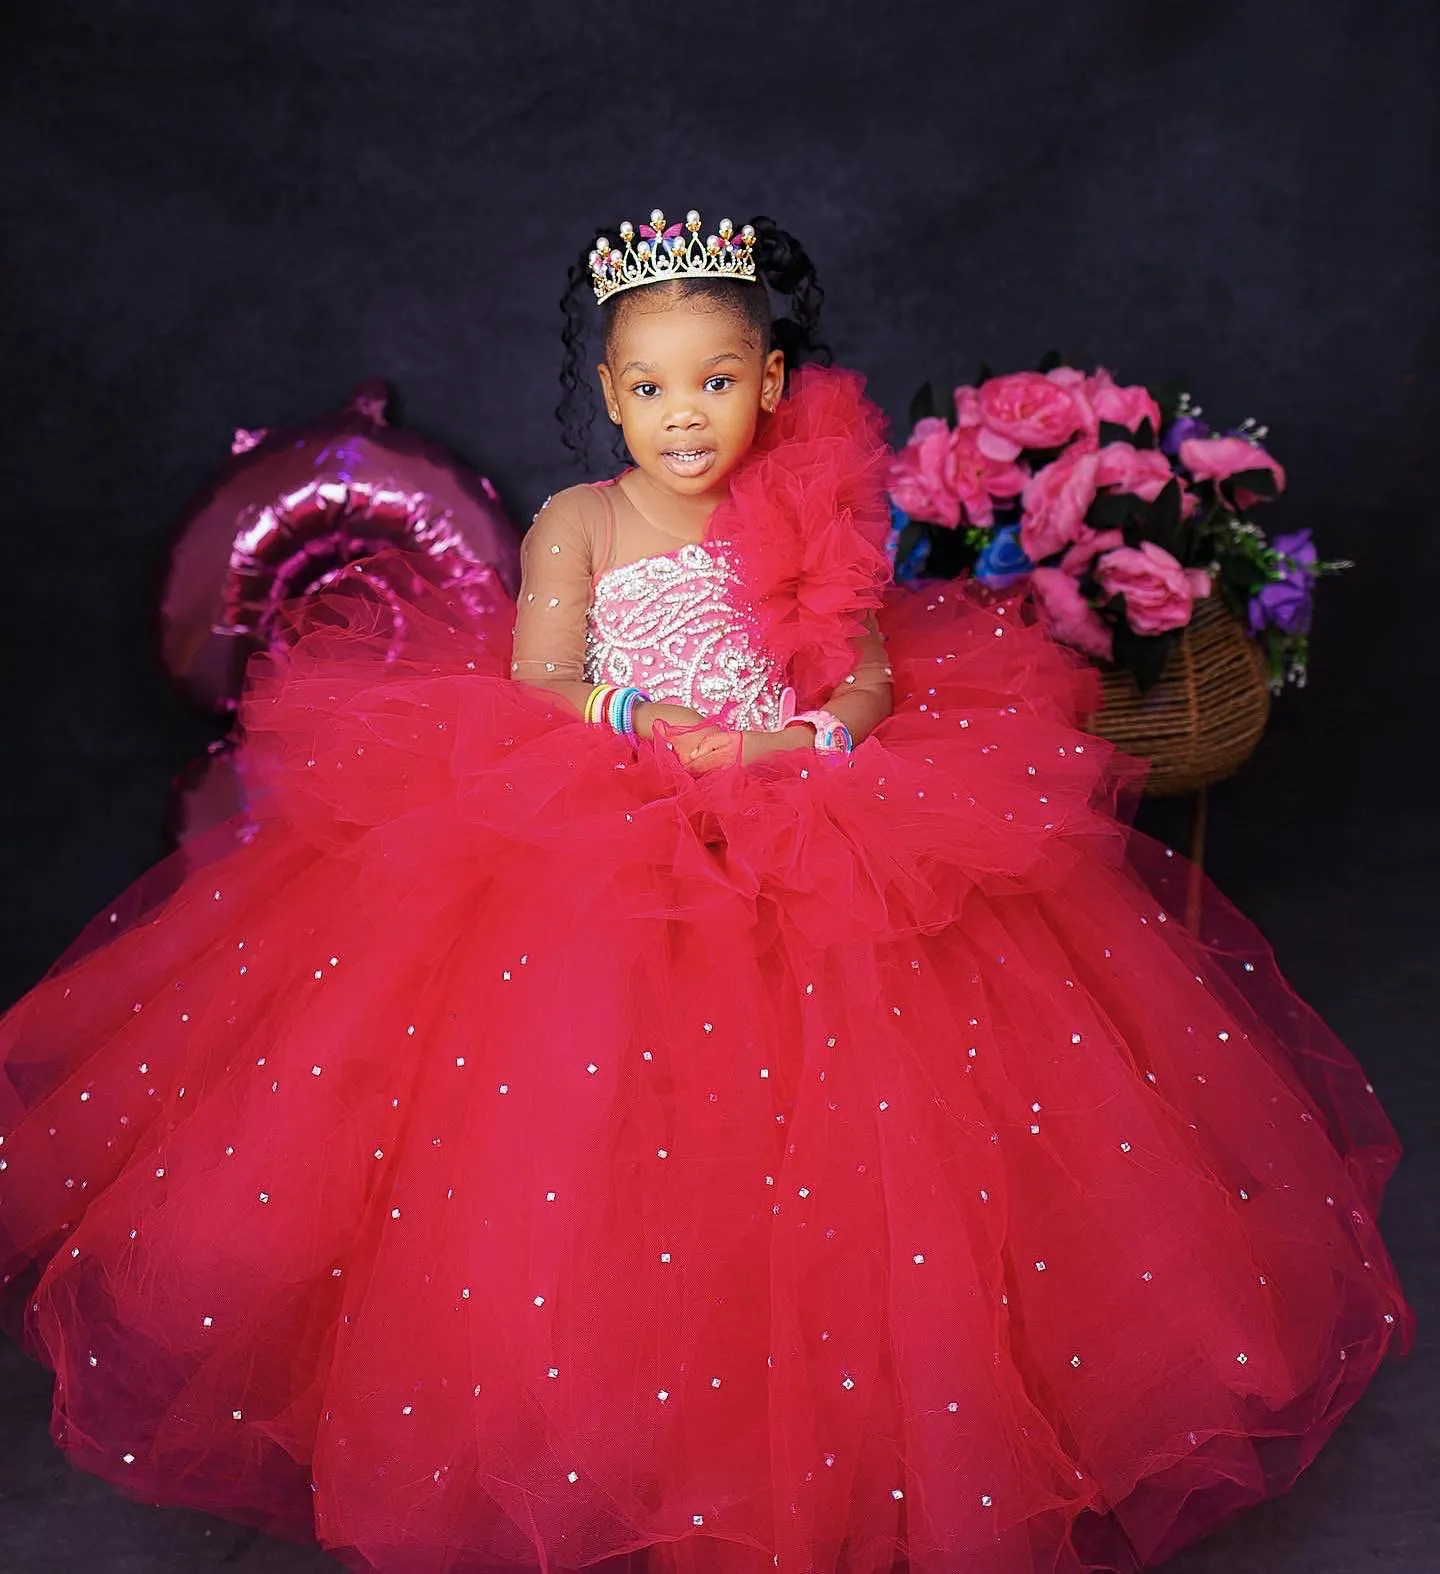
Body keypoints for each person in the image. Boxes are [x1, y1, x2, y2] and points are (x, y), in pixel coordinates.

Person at [0, 205, 1411, 1574]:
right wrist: (656, 731)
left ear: (771, 385)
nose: (688, 415)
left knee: (862, 1106)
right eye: (656, 387)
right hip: (620, 796)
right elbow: (541, 676)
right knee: (589, 1104)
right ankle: (612, 1425)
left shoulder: (804, 512)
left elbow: (862, 664)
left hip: (802, 793)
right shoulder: (578, 524)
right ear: (612, 394)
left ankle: (832, 1430)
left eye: (720, 382)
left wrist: (824, 736)